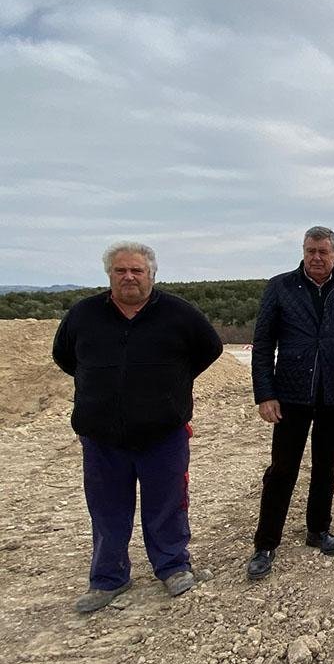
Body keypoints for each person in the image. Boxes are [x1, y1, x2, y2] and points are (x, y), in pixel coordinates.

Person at [52, 242, 223, 613]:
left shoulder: (178, 313)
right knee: (106, 508)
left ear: (151, 274)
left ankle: (173, 566)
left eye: (137, 271)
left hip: (163, 433)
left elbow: (210, 348)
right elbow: (64, 356)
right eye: (120, 270)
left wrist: (174, 383)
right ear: (109, 275)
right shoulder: (84, 315)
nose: (128, 277)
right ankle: (108, 578)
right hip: (101, 436)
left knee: (167, 504)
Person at [247, 226, 334, 580]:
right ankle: (265, 544)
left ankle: (318, 530)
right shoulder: (280, 286)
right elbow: (262, 344)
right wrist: (265, 394)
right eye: (310, 250)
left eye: (323, 251)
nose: (316, 257)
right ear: (303, 251)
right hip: (290, 396)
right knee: (282, 470)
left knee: (326, 466)